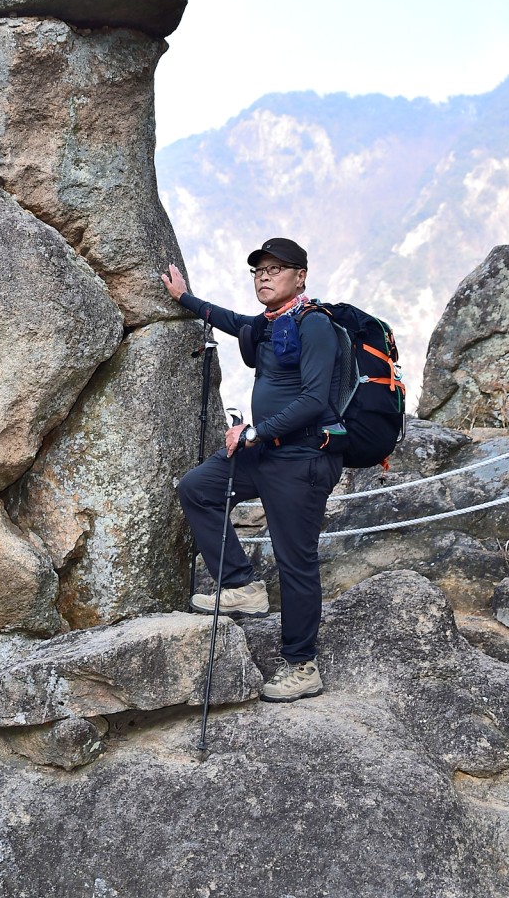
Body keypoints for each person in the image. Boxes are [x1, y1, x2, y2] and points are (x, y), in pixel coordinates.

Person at [161, 237, 343, 702]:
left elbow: (314, 400)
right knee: (198, 488)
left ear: (300, 276)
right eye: (259, 269)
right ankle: (241, 585)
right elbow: (229, 320)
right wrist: (184, 298)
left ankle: (302, 666)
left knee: (295, 561)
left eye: (276, 268)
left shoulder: (314, 324)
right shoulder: (268, 323)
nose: (264, 276)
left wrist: (254, 432)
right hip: (264, 454)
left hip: (302, 458)